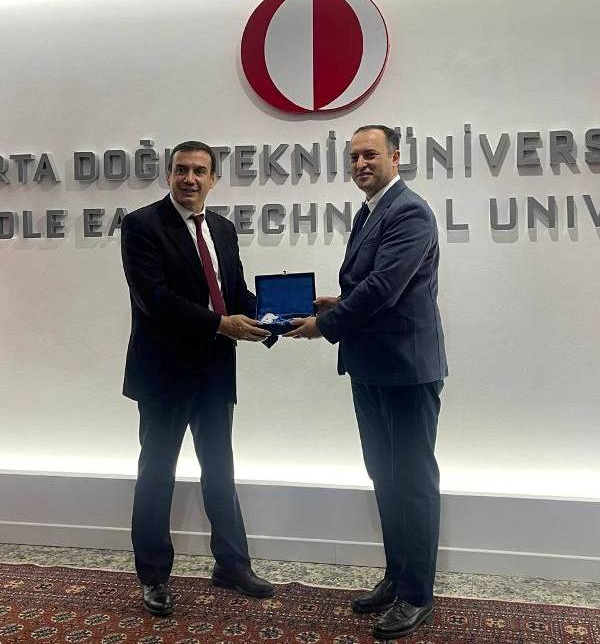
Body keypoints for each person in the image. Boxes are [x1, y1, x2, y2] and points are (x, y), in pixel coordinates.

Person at [286, 125, 447, 639]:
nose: (360, 164)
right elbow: (372, 285)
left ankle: (417, 595)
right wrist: (338, 302)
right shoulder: (370, 211)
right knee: (385, 478)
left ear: (395, 157)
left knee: (413, 483)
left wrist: (325, 325)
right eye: (354, 156)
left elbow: (383, 287)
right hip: (371, 367)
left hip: (406, 370)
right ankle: (397, 577)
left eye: (370, 154)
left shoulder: (410, 211)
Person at [121, 140, 275, 617]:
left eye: (199, 171)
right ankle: (153, 576)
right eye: (182, 170)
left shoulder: (222, 229)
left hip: (214, 372)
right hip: (164, 374)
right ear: (169, 174)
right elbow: (154, 299)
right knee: (156, 475)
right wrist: (219, 324)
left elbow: (234, 293)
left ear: (214, 179)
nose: (190, 178)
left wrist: (280, 317)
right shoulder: (142, 225)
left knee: (220, 470)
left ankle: (232, 564)